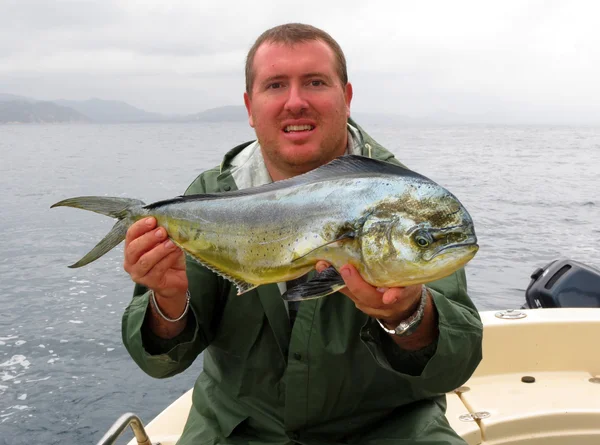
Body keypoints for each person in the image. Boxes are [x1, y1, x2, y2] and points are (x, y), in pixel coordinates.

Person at [122, 23, 483, 445]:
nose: (296, 102)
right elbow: (161, 362)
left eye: (315, 82)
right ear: (250, 107)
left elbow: (456, 364)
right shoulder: (209, 198)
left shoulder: (407, 202)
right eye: (275, 85)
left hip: (388, 430)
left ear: (346, 98)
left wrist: (404, 315)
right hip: (238, 429)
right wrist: (168, 302)